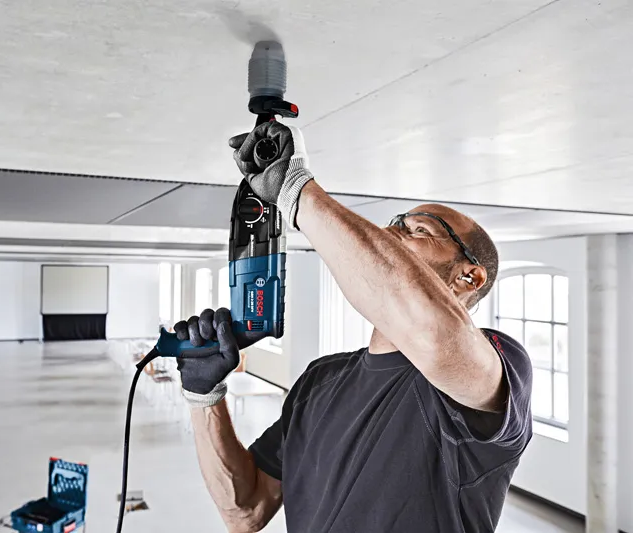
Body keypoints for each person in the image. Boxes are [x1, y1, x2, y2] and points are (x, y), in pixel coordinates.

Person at [173, 122, 533, 533]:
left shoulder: (501, 365)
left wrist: (295, 189)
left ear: (469, 278)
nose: (392, 232)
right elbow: (245, 512)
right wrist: (204, 397)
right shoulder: (320, 379)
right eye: (394, 223)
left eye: (420, 231)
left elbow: (431, 333)